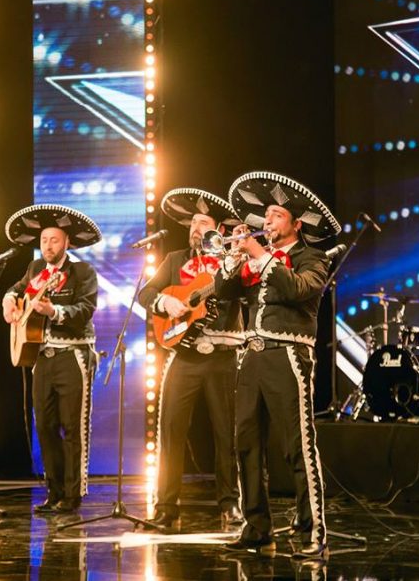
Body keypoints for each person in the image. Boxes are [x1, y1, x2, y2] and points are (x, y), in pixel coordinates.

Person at [216, 171, 341, 560]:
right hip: (251, 356)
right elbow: (222, 292)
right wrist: (233, 257)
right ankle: (256, 527)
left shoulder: (312, 258)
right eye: (265, 215)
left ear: (296, 224)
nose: (267, 221)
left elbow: (299, 289)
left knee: (297, 446)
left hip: (288, 355)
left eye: (276, 215)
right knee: (246, 445)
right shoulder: (256, 260)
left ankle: (312, 531)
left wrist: (259, 254)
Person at [138, 188, 245, 531]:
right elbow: (145, 292)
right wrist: (164, 303)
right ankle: (166, 507)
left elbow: (244, 290)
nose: (196, 228)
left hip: (222, 356)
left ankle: (230, 504)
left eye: (203, 223)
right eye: (193, 222)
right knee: (170, 430)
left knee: (226, 433)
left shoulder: (231, 260)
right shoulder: (174, 259)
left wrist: (236, 263)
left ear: (219, 230)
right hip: (183, 355)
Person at [2, 204, 101, 514]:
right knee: (45, 426)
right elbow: (15, 290)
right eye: (44, 240)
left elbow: (85, 310)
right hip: (41, 357)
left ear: (67, 242)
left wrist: (53, 311)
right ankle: (54, 492)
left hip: (72, 354)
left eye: (54, 240)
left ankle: (72, 494)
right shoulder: (35, 269)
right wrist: (9, 302)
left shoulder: (82, 272)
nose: (48, 245)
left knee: (73, 427)